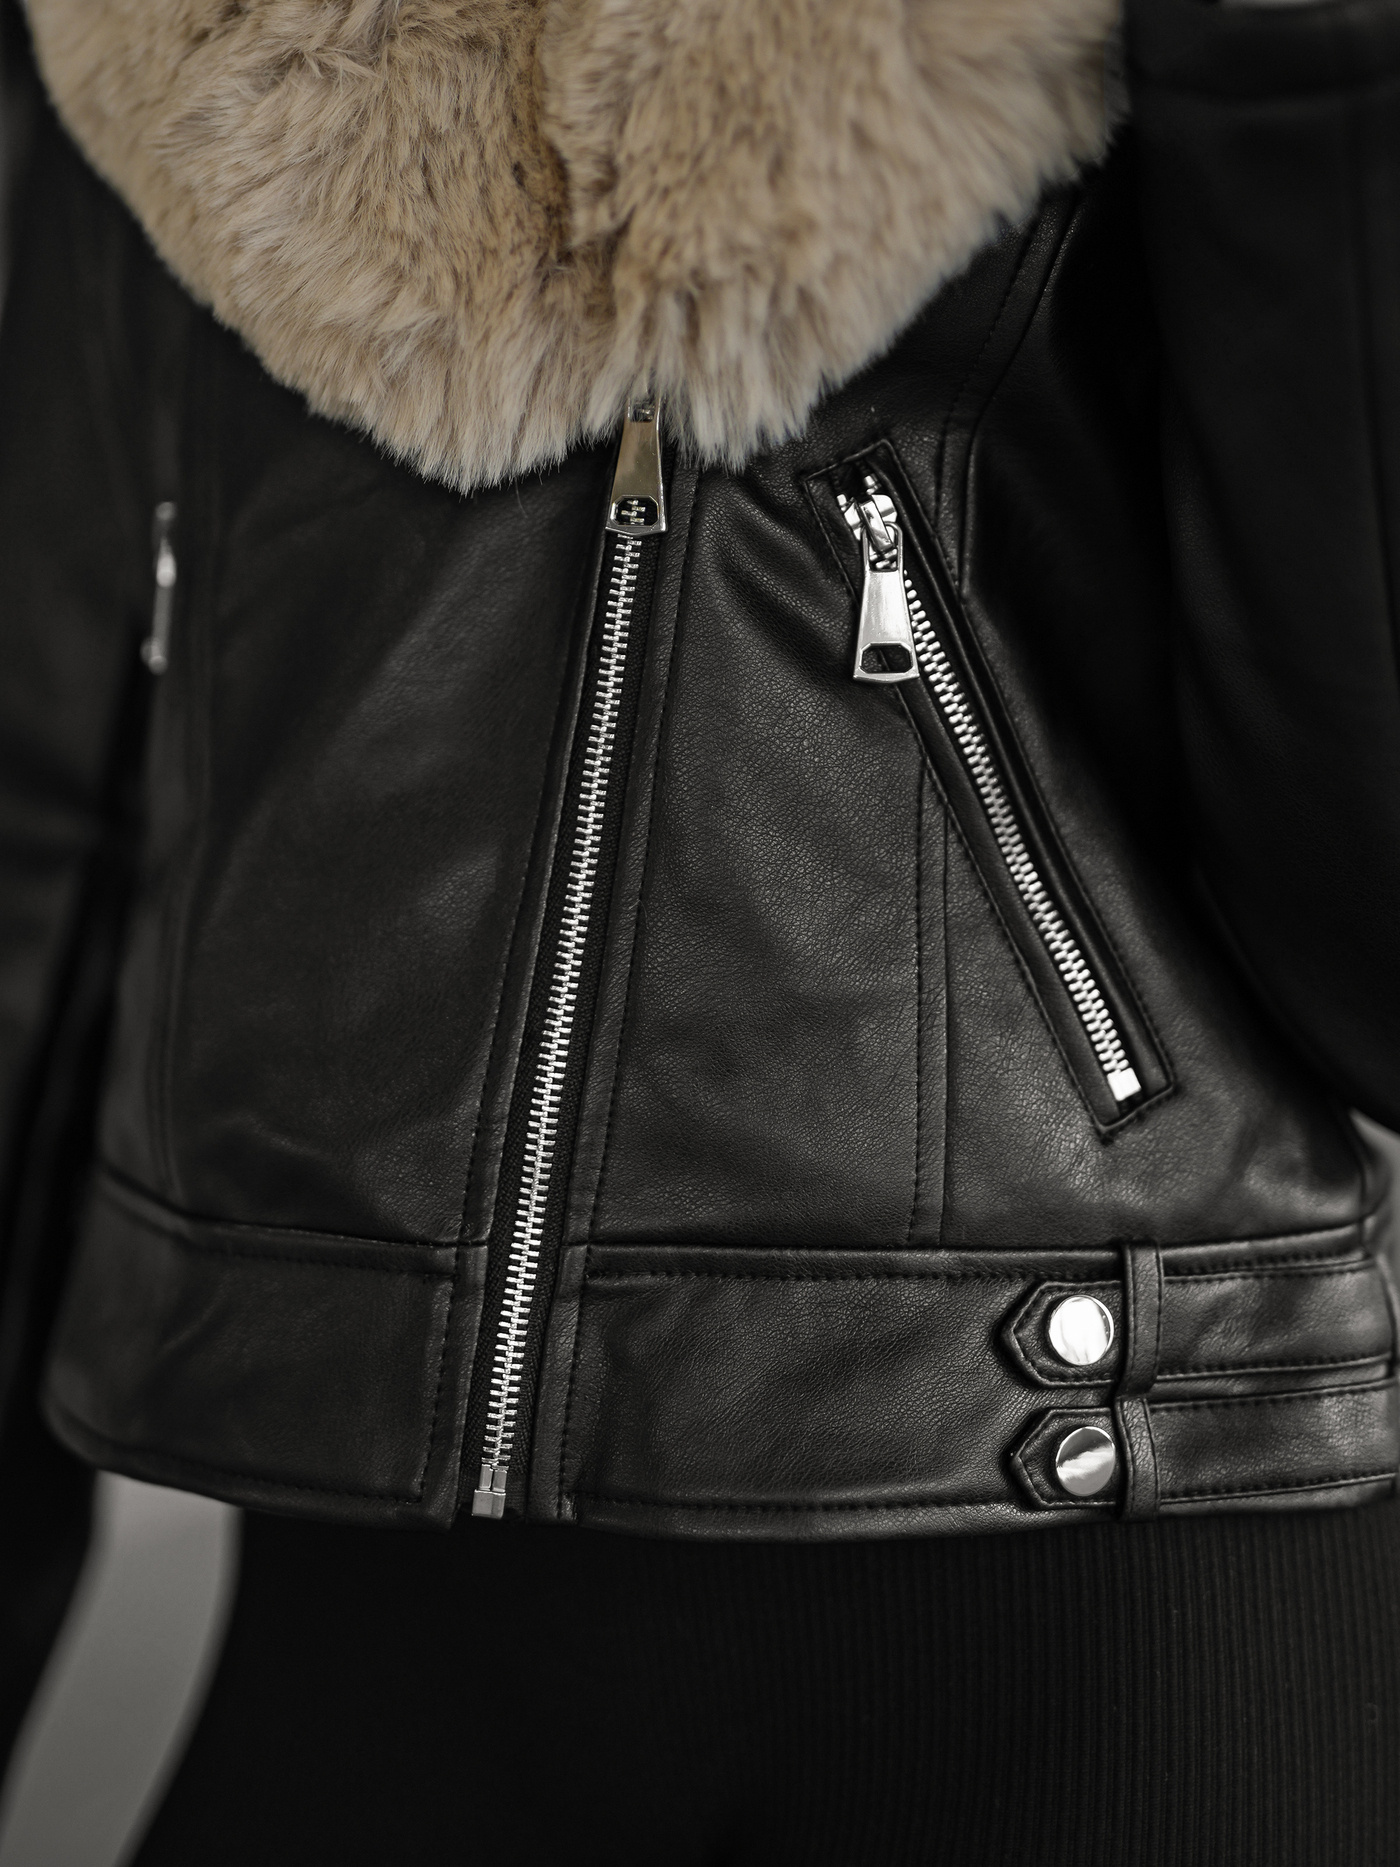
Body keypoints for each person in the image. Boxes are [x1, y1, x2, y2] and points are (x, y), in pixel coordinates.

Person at [2, 0, 1400, 1857]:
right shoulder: (166, 32)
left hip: (1101, 1567)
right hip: (357, 1587)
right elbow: (51, 794)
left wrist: (1310, 73)